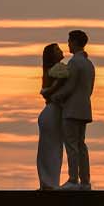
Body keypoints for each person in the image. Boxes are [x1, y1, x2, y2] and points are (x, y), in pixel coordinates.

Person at [48, 29, 97, 189]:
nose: (68, 44)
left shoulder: (75, 63)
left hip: (71, 110)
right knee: (81, 145)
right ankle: (85, 181)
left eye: (69, 41)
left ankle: (73, 179)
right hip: (84, 108)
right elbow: (89, 89)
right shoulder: (89, 64)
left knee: (71, 145)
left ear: (75, 42)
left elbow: (70, 86)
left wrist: (55, 96)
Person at [36, 43, 70, 189]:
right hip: (53, 112)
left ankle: (47, 182)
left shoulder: (53, 69)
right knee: (53, 149)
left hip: (50, 112)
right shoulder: (59, 69)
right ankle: (50, 183)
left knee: (48, 150)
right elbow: (54, 88)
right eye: (57, 49)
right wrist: (48, 91)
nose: (61, 50)